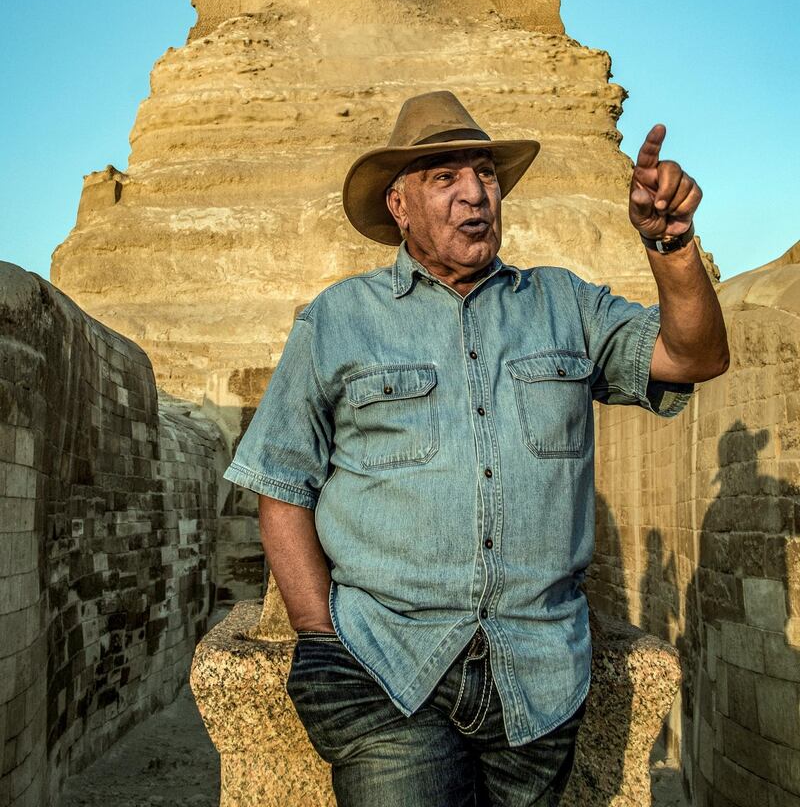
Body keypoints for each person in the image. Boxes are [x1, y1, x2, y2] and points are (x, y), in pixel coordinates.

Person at [224, 90, 729, 806]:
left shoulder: (565, 304)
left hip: (539, 678)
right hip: (384, 670)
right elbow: (280, 484)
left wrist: (671, 245)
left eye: (485, 174)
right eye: (444, 178)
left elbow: (694, 356)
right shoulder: (338, 319)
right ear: (399, 206)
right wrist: (320, 640)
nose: (475, 195)